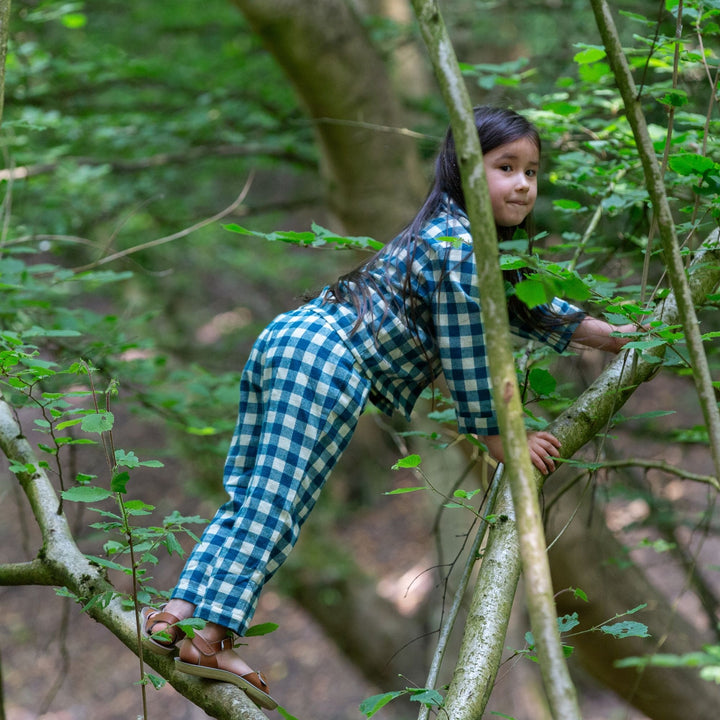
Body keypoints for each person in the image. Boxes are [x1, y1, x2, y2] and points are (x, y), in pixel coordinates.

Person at [141, 106, 635, 709]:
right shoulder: (457, 246)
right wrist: (502, 437)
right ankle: (211, 637)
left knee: (258, 494)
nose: (524, 184)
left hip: (294, 339)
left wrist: (615, 336)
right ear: (463, 170)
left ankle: (178, 615)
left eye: (533, 171)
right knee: (278, 504)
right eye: (506, 167)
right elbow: (469, 350)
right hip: (327, 360)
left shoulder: (466, 245)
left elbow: (528, 307)